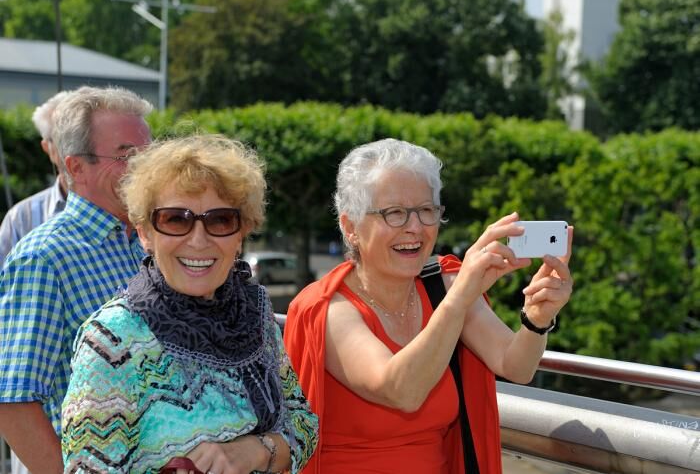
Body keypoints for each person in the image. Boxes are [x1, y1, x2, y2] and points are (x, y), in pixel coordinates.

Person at [284, 138, 574, 474]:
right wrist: (460, 297)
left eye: (426, 210)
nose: (415, 227)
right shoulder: (327, 308)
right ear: (351, 227)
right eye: (394, 213)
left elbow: (516, 366)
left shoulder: (445, 285)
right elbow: (400, 391)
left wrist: (537, 318)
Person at [62, 134, 319, 474]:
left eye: (220, 220)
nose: (199, 240)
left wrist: (255, 451)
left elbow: (302, 424)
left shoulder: (254, 315)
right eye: (175, 219)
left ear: (241, 233)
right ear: (144, 234)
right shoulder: (113, 341)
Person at [0, 86, 152, 474]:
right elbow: (13, 402)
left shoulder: (151, 241)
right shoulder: (44, 258)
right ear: (76, 167)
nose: (145, 167)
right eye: (126, 155)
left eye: (148, 153)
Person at [0, 90, 72, 266]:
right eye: (64, 138)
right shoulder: (21, 218)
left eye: (82, 136)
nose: (75, 147)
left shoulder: (126, 207)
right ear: (47, 147)